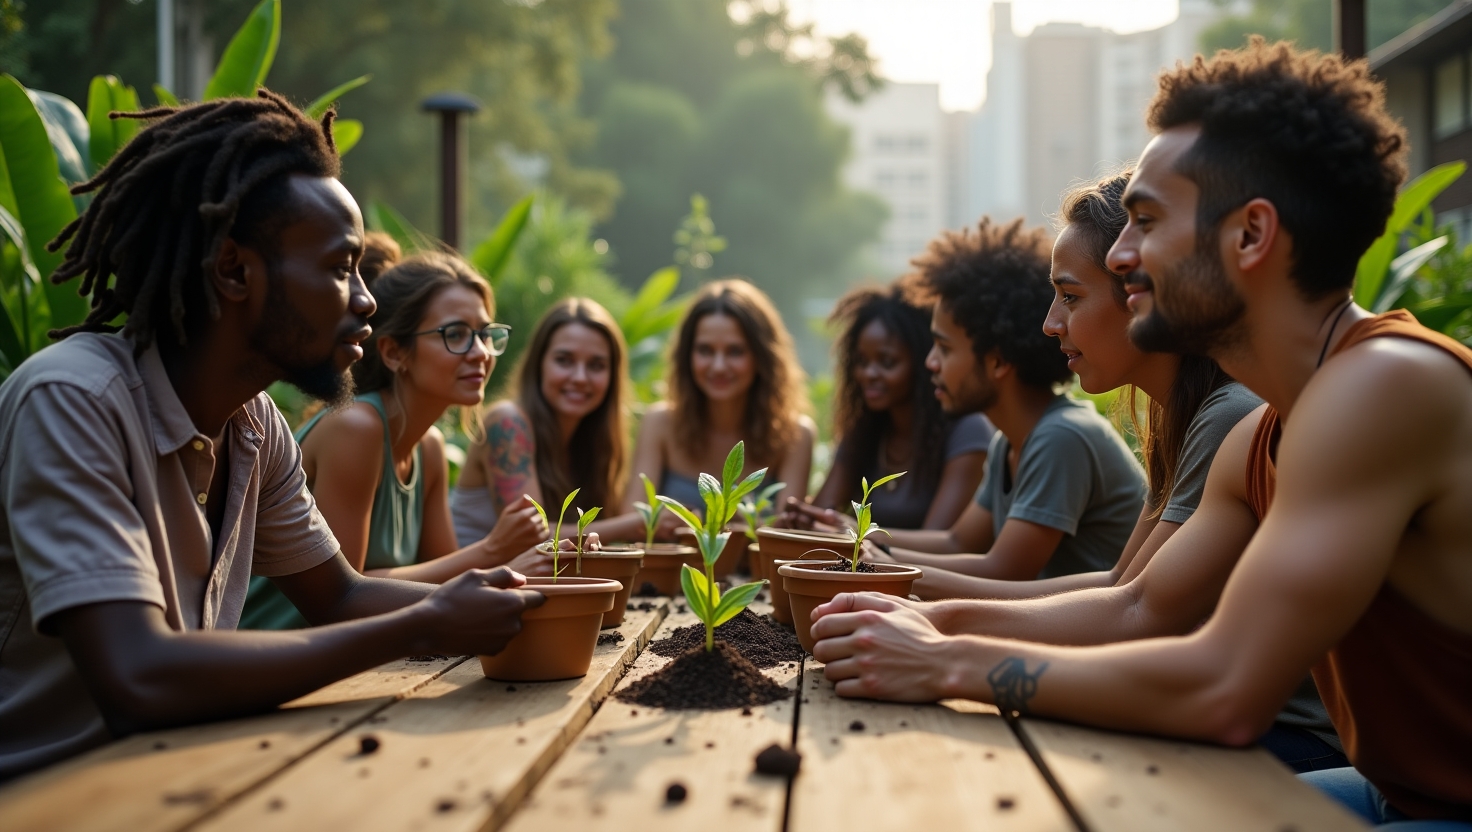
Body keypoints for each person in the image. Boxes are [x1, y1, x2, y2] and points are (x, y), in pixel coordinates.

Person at [809, 42, 1472, 827]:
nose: (1123, 258)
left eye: (1147, 222)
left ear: (1251, 235)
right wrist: (931, 620)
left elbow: (1224, 687)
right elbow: (1136, 607)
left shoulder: (1383, 387)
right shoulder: (1259, 433)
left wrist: (946, 661)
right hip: (1397, 794)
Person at [0, 92, 540, 780]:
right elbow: (139, 675)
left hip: (176, 771)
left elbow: (340, 596)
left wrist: (525, 598)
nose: (367, 299)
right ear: (234, 270)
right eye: (340, 268)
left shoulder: (254, 425)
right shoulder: (73, 400)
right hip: (41, 791)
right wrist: (426, 622)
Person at [816, 171, 1345, 772]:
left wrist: (928, 621)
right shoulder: (1182, 418)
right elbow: (1123, 586)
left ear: (1146, 290)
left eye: (1070, 297)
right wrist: (913, 602)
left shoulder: (1227, 414)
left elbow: (1135, 613)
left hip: (1293, 736)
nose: (1050, 323)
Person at [797, 219, 1147, 583]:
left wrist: (874, 560)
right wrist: (850, 534)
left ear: (997, 361)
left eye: (944, 348)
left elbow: (1004, 571)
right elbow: (957, 542)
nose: (930, 363)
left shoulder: (1061, 437)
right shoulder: (1008, 443)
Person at [240, 245, 549, 629]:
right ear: (394, 353)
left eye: (485, 334)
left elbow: (447, 580)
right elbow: (346, 594)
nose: (481, 352)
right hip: (274, 652)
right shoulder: (356, 428)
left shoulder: (430, 449)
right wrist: (493, 551)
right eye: (456, 334)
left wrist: (519, 562)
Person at [452, 297, 663, 546]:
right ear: (539, 364)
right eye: (564, 360)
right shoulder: (507, 423)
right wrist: (639, 523)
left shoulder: (593, 445)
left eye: (596, 365)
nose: (580, 377)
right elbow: (532, 537)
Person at [802, 283, 992, 530]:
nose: (868, 373)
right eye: (861, 361)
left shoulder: (967, 430)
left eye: (887, 362)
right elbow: (825, 512)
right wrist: (802, 520)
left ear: (923, 362)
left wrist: (857, 533)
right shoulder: (864, 431)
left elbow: (941, 539)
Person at [624, 279, 815, 516]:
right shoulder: (659, 424)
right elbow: (631, 518)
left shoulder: (796, 436)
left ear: (763, 357)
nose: (719, 366)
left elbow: (787, 529)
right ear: (687, 355)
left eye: (735, 351)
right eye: (705, 350)